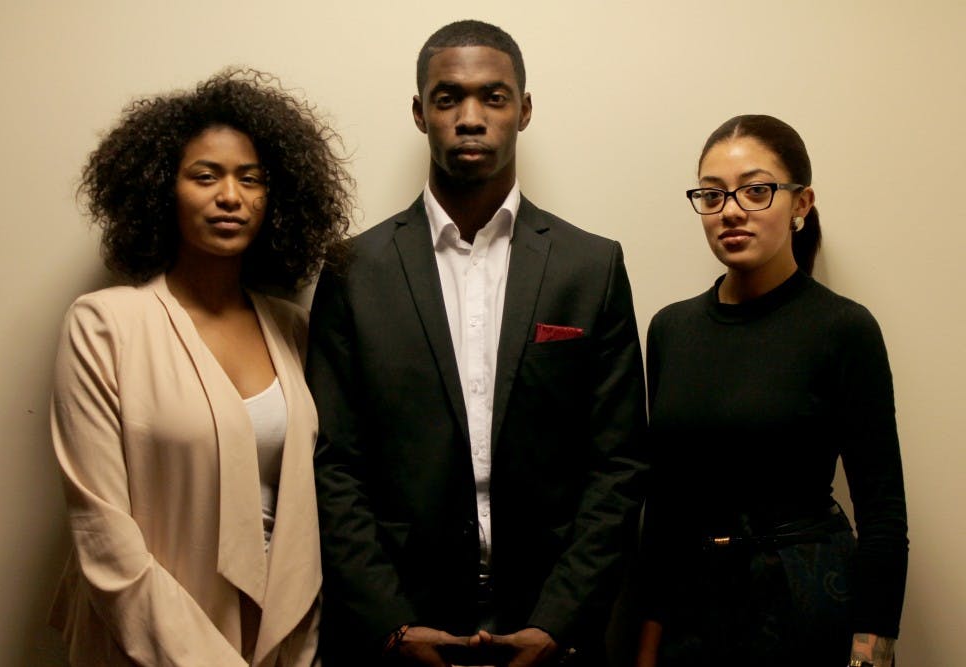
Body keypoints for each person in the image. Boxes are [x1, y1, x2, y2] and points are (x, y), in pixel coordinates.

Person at [307, 19, 648, 667]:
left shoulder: (590, 266)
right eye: (447, 98)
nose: (470, 117)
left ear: (523, 110)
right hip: (398, 630)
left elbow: (620, 464)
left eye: (493, 97)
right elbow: (333, 465)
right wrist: (392, 624)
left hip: (552, 629)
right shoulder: (354, 269)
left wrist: (558, 623)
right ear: (419, 112)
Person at [49, 69, 352, 666]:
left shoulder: (294, 329)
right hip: (151, 644)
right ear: (164, 189)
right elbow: (103, 537)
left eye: (251, 179)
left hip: (285, 642)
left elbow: (313, 513)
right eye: (205, 176)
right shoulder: (105, 325)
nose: (230, 197)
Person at [635, 115, 908, 667]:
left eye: (756, 190)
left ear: (801, 204)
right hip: (694, 613)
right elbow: (664, 508)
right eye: (711, 196)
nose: (731, 210)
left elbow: (882, 510)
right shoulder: (671, 330)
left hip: (805, 603)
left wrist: (871, 650)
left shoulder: (842, 329)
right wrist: (646, 648)